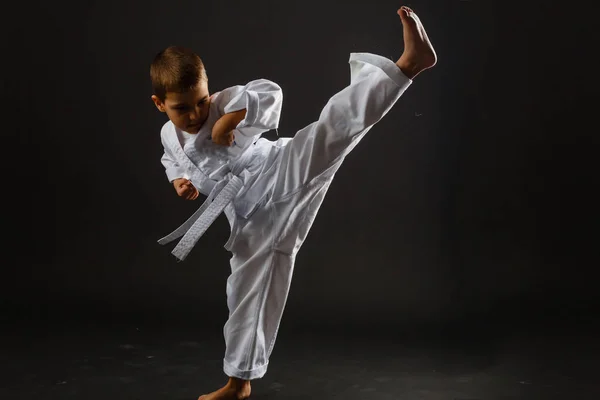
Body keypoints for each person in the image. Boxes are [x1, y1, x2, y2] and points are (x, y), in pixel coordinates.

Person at [150, 5, 436, 400]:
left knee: (332, 132)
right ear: (160, 105)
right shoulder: (169, 136)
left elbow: (269, 95)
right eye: (183, 108)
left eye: (201, 101)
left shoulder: (223, 103)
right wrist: (180, 181)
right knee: (246, 289)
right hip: (251, 215)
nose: (197, 113)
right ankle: (239, 381)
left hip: (278, 167)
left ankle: (407, 64)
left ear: (208, 89)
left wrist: (229, 120)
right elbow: (172, 161)